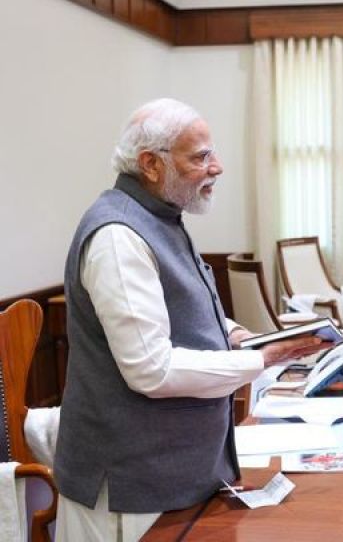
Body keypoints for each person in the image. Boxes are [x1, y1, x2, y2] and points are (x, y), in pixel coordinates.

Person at [53, 98, 324, 541]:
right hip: (132, 486)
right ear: (151, 164)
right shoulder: (119, 236)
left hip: (173, 476)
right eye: (199, 157)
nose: (216, 167)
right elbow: (151, 370)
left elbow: (182, 311)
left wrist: (239, 336)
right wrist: (261, 360)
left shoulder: (160, 217)